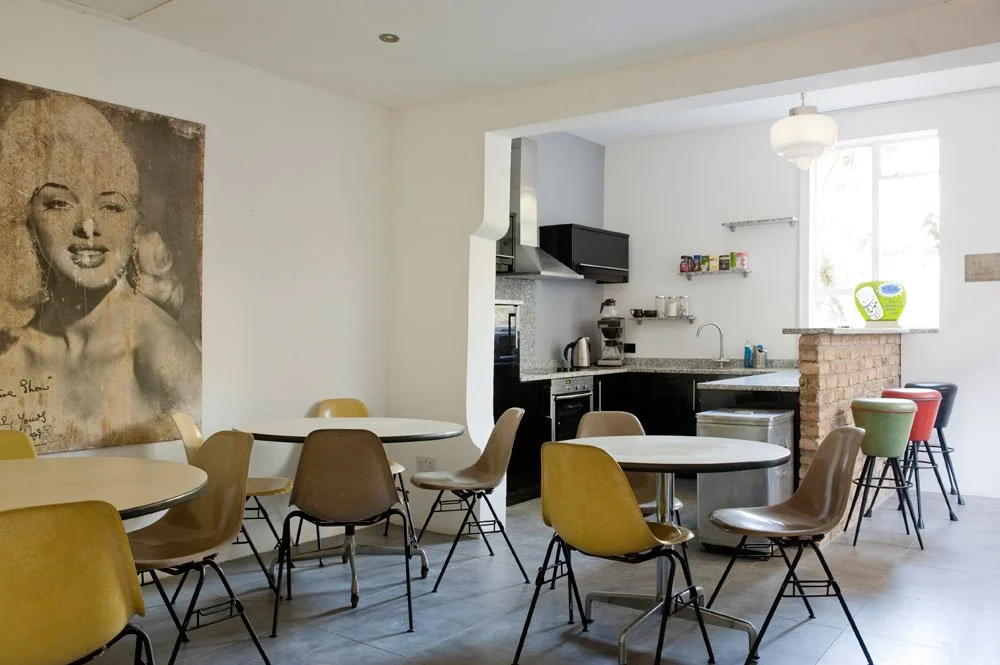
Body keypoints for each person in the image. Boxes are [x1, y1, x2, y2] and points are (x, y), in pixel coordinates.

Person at [0, 94, 201, 451]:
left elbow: (207, 470)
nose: (88, 226)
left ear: (134, 225)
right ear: (26, 219)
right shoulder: (10, 356)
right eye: (59, 203)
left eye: (111, 206)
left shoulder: (159, 350)